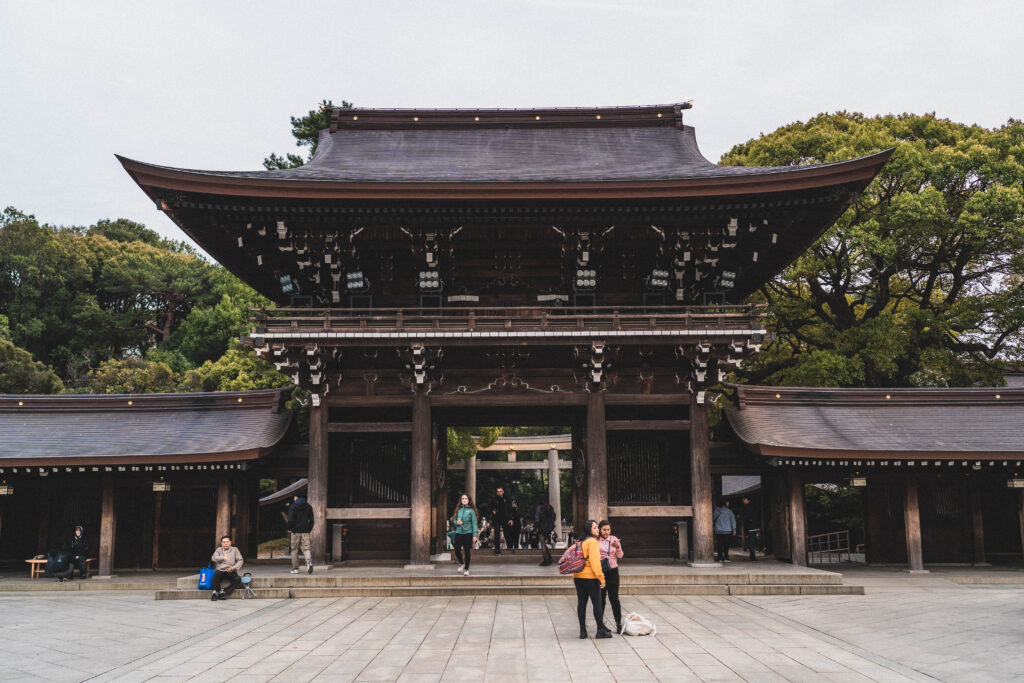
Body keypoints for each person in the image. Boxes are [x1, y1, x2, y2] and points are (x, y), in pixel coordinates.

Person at [573, 519, 611, 639]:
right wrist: (601, 578)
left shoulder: (581, 542)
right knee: (597, 604)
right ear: (589, 530)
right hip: (590, 577)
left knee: (581, 603)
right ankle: (600, 630)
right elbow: (595, 563)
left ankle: (582, 631)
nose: (597, 530)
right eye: (595, 528)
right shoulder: (593, 542)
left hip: (578, 576)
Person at [598, 520, 624, 633]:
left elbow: (621, 555)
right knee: (601, 599)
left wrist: (617, 547)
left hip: (613, 571)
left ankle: (618, 623)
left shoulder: (614, 539)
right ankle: (600, 623)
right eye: (604, 530)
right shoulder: (595, 540)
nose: (606, 532)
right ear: (599, 529)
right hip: (601, 571)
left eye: (608, 530)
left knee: (614, 598)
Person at [450, 492, 478, 576]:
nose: (464, 500)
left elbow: (474, 524)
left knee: (467, 551)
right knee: (456, 549)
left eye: (466, 499)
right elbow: (454, 521)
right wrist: (457, 523)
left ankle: (466, 569)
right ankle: (461, 563)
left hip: (468, 533)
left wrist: (475, 535)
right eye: (463, 499)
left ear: (469, 500)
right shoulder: (458, 510)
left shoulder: (471, 511)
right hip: (459, 532)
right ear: (461, 500)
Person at [286, 494, 315, 574]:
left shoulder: (293, 507)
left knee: (294, 550)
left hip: (295, 531)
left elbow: (290, 520)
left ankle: (295, 568)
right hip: (305, 531)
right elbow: (312, 521)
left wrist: (289, 528)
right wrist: (308, 529)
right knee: (307, 548)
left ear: (296, 497)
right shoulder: (309, 507)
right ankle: (308, 561)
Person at [210, 536, 244, 600]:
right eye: (224, 542)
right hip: (220, 570)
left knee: (238, 579)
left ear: (230, 542)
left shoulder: (235, 549)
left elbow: (240, 560)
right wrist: (222, 557)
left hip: (230, 570)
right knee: (216, 575)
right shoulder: (219, 549)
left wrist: (233, 568)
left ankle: (223, 592)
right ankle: (214, 592)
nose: (226, 543)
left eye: (227, 542)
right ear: (221, 543)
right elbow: (213, 558)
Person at [489, 487, 513, 555]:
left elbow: (510, 509)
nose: (499, 493)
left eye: (500, 491)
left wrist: (510, 519)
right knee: (497, 533)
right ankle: (497, 549)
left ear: (503, 492)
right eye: (498, 491)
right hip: (497, 518)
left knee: (507, 533)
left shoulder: (507, 499)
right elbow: (490, 507)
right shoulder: (494, 499)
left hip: (505, 518)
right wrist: (492, 510)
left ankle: (509, 546)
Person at [535, 501, 556, 566]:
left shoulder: (539, 507)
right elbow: (554, 516)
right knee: (544, 543)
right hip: (549, 527)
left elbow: (537, 519)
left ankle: (545, 560)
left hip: (542, 527)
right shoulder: (550, 507)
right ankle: (549, 558)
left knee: (542, 544)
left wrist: (536, 527)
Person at [739, 496, 759, 561]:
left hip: (751, 526)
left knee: (751, 542)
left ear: (746, 499)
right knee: (752, 541)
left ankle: (752, 556)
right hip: (755, 526)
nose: (743, 501)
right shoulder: (753, 505)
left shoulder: (748, 506)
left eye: (743, 499)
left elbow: (747, 516)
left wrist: (741, 517)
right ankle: (753, 555)